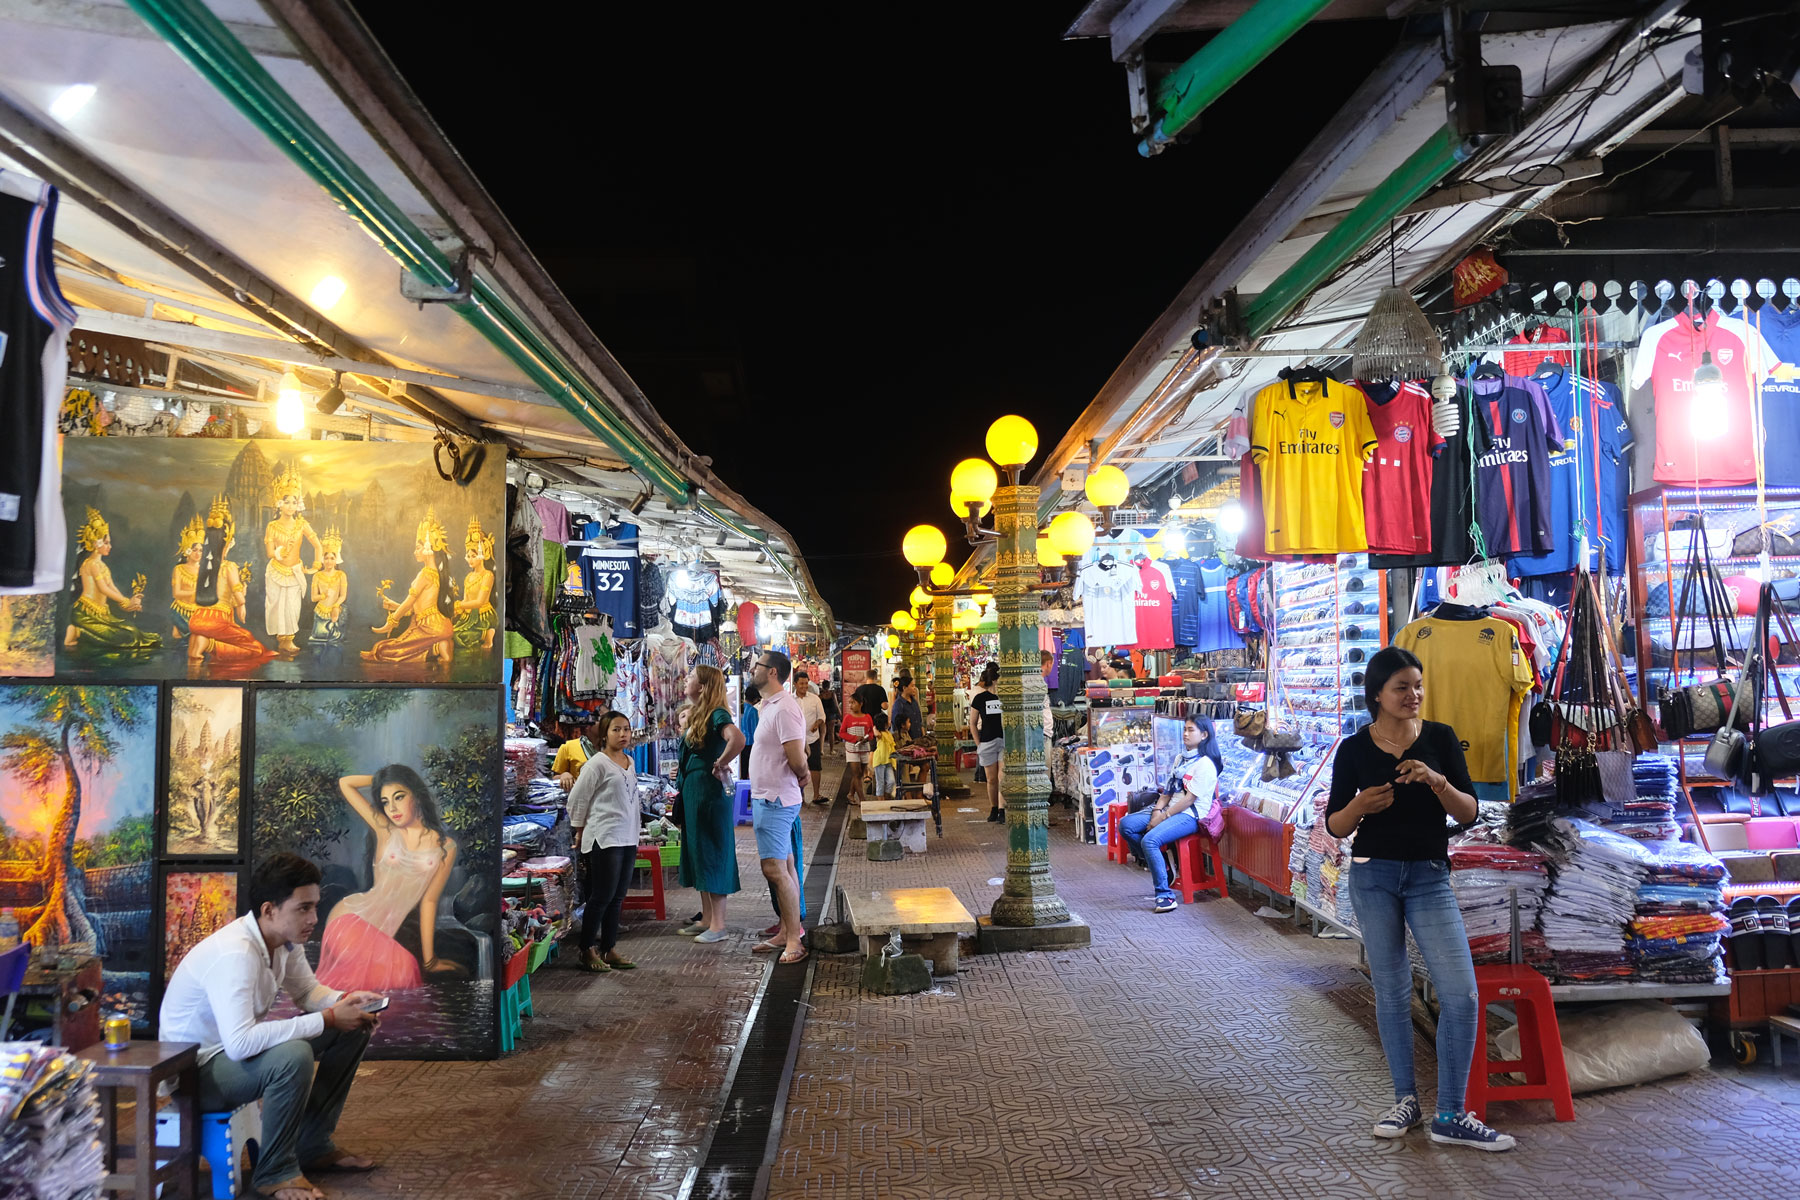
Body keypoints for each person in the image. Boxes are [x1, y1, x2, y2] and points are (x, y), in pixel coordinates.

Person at [1323, 646, 1513, 1152]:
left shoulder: (1440, 738)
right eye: (1402, 687)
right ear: (1378, 695)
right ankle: (1406, 1099)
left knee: (1461, 993)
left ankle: (1450, 1112)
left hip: (1430, 876)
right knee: (1391, 990)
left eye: (1418, 685)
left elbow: (1471, 812)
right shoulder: (1354, 749)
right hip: (1373, 876)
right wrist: (1360, 805)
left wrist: (1437, 781)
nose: (1414, 695)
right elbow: (1335, 827)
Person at [159, 853, 382, 1200]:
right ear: (269, 910)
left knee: (351, 1027)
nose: (314, 919)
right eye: (303, 908)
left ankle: (313, 1144)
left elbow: (308, 992)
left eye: (315, 907)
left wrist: (346, 1000)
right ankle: (274, 1172)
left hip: (227, 1059)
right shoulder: (236, 954)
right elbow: (240, 1043)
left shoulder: (282, 940)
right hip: (194, 1073)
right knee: (292, 1056)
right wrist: (326, 1018)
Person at [315, 767, 459, 991]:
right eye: (385, 801)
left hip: (382, 932)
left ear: (417, 794)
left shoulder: (446, 847)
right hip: (350, 919)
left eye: (399, 797)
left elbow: (429, 902)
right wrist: (383, 779)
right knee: (400, 970)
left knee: (401, 974)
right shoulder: (386, 829)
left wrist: (430, 961)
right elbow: (346, 783)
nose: (392, 808)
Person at [1117, 715, 1223, 913]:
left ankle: (1165, 895)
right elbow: (1167, 792)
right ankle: (1164, 863)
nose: (1185, 733)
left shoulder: (1206, 764)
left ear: (1204, 735)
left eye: (1191, 730)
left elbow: (1189, 800)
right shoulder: (1180, 758)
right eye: (1185, 729)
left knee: (1149, 841)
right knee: (1126, 825)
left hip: (1189, 815)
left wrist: (1161, 818)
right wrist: (1157, 810)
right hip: (1168, 809)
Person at [567, 710, 641, 972]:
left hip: (627, 836)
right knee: (602, 896)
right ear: (605, 734)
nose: (623, 735)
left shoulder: (629, 761)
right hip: (604, 836)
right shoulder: (597, 764)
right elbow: (577, 798)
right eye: (616, 730)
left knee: (618, 896)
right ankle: (587, 950)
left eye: (626, 729)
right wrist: (578, 828)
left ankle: (609, 949)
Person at [748, 650, 810, 963]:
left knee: (774, 868)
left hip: (776, 799)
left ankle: (794, 943)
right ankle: (788, 932)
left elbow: (797, 756)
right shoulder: (769, 706)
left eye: (756, 665)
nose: (751, 668)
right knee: (783, 866)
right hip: (768, 797)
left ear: (772, 672)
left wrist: (804, 773)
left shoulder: (785, 708)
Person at [676, 665, 744, 945]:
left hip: (708, 793)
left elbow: (737, 739)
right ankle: (706, 918)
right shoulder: (700, 714)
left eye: (690, 677)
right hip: (695, 791)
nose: (685, 681)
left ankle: (718, 924)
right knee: (698, 852)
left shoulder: (717, 713)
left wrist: (721, 762)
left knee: (712, 852)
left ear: (702, 686)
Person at [63, 505, 162, 662]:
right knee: (125, 638)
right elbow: (103, 588)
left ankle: (82, 633)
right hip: (86, 614)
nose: (110, 546)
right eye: (106, 542)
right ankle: (77, 632)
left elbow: (111, 588)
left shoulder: (102, 566)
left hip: (102, 614)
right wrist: (125, 601)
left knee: (133, 630)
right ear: (96, 544)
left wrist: (128, 604)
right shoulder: (91, 564)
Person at [362, 507, 454, 666]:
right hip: (435, 625)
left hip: (429, 627)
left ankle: (438, 647)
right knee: (387, 648)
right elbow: (420, 606)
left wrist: (390, 622)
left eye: (418, 548)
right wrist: (395, 606)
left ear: (428, 548)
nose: (415, 552)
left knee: (383, 651)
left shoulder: (425, 574)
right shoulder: (434, 573)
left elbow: (408, 603)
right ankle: (438, 646)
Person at [264, 467, 322, 656]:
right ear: (279, 503)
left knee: (292, 607)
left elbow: (317, 544)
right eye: (287, 502)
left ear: (299, 504)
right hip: (276, 571)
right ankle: (283, 641)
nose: (290, 506)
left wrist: (316, 564)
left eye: (294, 502)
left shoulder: (301, 524)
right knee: (277, 607)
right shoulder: (272, 526)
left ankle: (289, 639)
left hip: (295, 572)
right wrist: (282, 552)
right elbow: (270, 552)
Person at [452, 517, 498, 651]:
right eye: (468, 556)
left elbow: (479, 602)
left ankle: (488, 633)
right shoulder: (469, 576)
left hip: (483, 617)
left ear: (482, 555)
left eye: (473, 556)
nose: (470, 560)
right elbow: (467, 599)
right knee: (451, 634)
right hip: (468, 616)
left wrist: (459, 604)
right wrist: (458, 609)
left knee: (461, 637)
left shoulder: (488, 575)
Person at [969, 662, 1005, 823]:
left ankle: (1002, 809)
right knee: (991, 779)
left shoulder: (1005, 697)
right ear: (995, 680)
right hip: (987, 741)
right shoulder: (980, 698)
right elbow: (973, 722)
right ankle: (993, 807)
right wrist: (978, 744)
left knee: (1002, 776)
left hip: (1004, 740)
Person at [308, 528, 348, 648]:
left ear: (336, 560)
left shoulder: (341, 575)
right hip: (320, 612)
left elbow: (343, 595)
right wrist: (323, 595)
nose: (329, 561)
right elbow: (313, 598)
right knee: (319, 638)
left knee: (334, 639)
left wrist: (335, 606)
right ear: (322, 559)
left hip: (335, 612)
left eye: (332, 558)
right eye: (326, 558)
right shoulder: (317, 576)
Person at [795, 667, 827, 804]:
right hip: (796, 741)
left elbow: (822, 716)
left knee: (815, 767)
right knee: (796, 769)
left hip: (812, 739)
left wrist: (817, 724)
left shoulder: (815, 699)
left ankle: (816, 794)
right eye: (801, 683)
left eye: (806, 683)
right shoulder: (790, 700)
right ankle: (799, 796)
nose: (804, 686)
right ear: (795, 684)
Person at [839, 693, 875, 801]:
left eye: (853, 702)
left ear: (861, 704)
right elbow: (842, 733)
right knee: (857, 774)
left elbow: (871, 733)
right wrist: (854, 738)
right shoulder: (847, 718)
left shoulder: (868, 717)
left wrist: (867, 738)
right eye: (849, 703)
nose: (851, 705)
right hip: (852, 749)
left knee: (859, 775)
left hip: (864, 748)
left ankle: (850, 794)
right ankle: (862, 799)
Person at [552, 713, 599, 791]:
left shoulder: (614, 750)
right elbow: (555, 778)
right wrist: (564, 775)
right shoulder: (568, 747)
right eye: (597, 719)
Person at [870, 712, 896, 802]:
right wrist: (874, 727)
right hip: (880, 761)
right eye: (887, 720)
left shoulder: (888, 733)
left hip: (888, 761)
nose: (889, 722)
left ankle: (885, 796)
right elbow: (876, 734)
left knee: (891, 781)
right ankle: (880, 801)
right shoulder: (879, 734)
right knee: (880, 782)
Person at [891, 676, 923, 747]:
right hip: (907, 743)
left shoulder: (914, 702)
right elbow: (896, 726)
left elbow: (920, 722)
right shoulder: (899, 704)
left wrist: (923, 737)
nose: (914, 688)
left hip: (918, 740)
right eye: (912, 686)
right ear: (904, 688)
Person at [820, 680, 840, 751]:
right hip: (831, 715)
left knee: (822, 733)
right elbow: (836, 705)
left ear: (822, 686)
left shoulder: (821, 695)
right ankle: (831, 750)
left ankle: (821, 750)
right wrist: (839, 714)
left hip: (823, 715)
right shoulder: (832, 694)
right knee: (831, 733)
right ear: (829, 686)